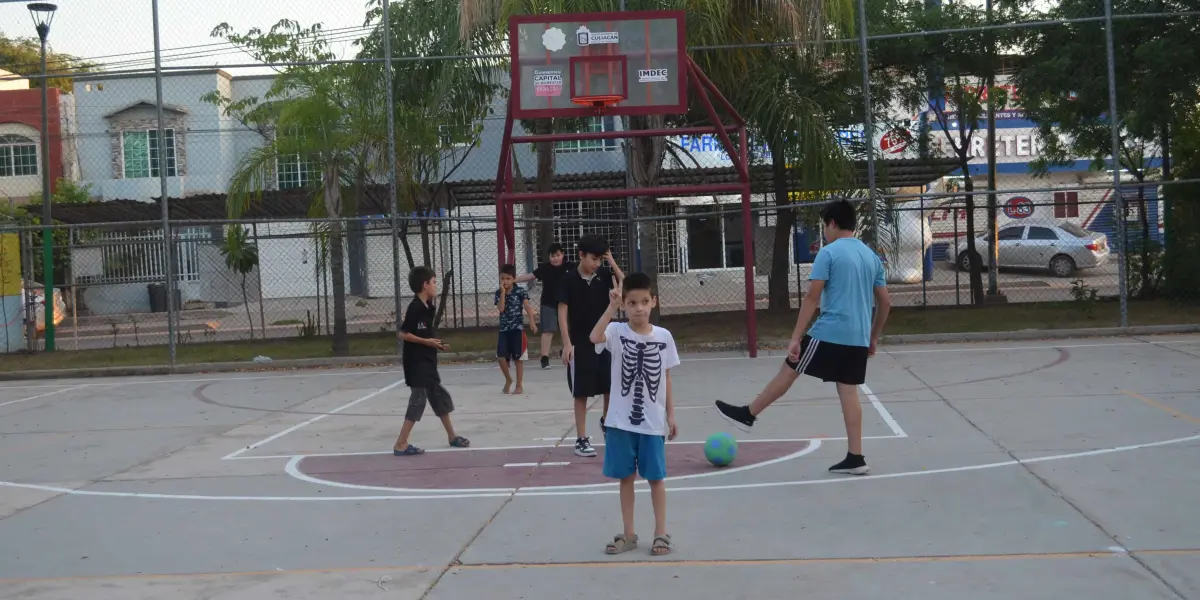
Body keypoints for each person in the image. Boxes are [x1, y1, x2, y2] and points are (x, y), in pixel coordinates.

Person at [715, 199, 891, 475]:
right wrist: (873, 336)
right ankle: (856, 456)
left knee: (789, 369)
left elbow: (812, 296)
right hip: (857, 337)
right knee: (848, 390)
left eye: (824, 226)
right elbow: (885, 303)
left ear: (832, 223)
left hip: (830, 332)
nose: (825, 231)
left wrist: (796, 337)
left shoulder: (829, 253)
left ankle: (749, 414)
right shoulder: (871, 257)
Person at [590, 272, 680, 557]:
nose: (638, 308)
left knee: (656, 478)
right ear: (624, 305)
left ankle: (660, 532)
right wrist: (610, 308)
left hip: (652, 422)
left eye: (644, 302)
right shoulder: (617, 332)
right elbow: (594, 337)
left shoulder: (664, 337)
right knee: (625, 477)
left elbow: (665, 377)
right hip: (620, 421)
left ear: (653, 302)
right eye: (631, 303)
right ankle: (628, 534)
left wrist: (671, 414)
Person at [556, 234, 625, 458]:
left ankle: (607, 422)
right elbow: (562, 311)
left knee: (609, 385)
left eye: (600, 259)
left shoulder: (604, 274)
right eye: (593, 259)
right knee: (581, 391)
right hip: (580, 342)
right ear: (581, 255)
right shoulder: (568, 279)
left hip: (605, 340)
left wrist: (611, 261)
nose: (597, 264)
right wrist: (567, 343)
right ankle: (581, 438)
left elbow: (625, 284)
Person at [393, 266, 471, 456]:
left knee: (438, 397)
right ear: (425, 285)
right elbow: (403, 334)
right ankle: (401, 444)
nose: (436, 286)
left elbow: (426, 334)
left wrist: (436, 344)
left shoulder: (428, 306)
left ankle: (452, 436)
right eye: (434, 282)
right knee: (418, 400)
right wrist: (425, 342)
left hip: (428, 361)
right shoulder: (415, 307)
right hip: (416, 363)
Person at [515, 243, 568, 369]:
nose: (555, 258)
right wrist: (515, 279)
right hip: (548, 303)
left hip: (565, 303)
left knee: (566, 329)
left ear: (563, 255)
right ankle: (544, 358)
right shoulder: (544, 268)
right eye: (552, 256)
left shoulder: (570, 267)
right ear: (549, 257)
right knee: (548, 330)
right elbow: (531, 276)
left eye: (558, 255)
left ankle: (566, 351)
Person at [495, 263, 538, 394]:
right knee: (501, 357)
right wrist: (503, 292)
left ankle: (519, 384)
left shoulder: (520, 291)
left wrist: (532, 322)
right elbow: (501, 309)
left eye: (508, 278)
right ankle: (508, 379)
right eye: (503, 279)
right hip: (504, 330)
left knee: (518, 358)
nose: (505, 281)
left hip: (517, 329)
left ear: (513, 279)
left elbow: (527, 307)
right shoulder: (498, 293)